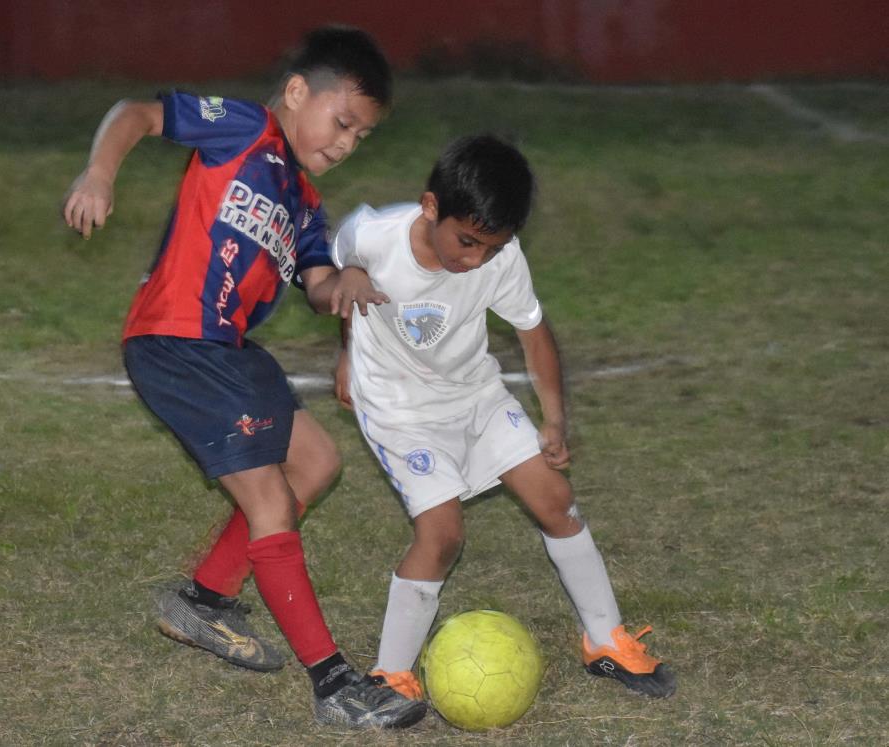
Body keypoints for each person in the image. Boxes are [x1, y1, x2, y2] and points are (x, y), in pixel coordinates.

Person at [61, 26, 425, 729]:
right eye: (342, 121)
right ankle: (333, 682)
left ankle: (202, 601)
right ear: (296, 93)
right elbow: (135, 113)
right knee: (270, 502)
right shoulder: (245, 129)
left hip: (226, 351)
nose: (348, 141)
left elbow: (319, 285)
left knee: (315, 462)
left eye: (362, 136)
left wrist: (346, 286)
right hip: (176, 342)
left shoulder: (305, 203)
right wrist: (100, 173)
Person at [331, 134, 677, 701]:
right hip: (399, 410)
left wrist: (555, 419)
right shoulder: (373, 233)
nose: (475, 261)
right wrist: (347, 347)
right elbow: (339, 267)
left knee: (555, 500)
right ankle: (390, 674)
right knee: (441, 537)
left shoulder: (500, 258)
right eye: (466, 242)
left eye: (490, 249)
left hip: (476, 396)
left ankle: (606, 641)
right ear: (429, 206)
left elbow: (533, 333)